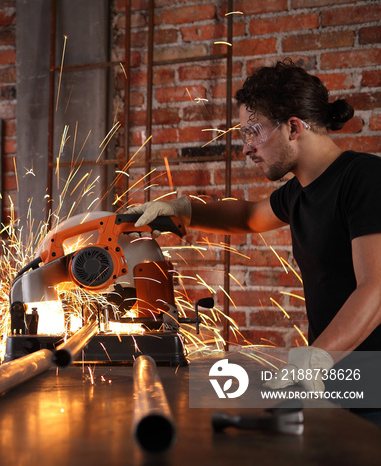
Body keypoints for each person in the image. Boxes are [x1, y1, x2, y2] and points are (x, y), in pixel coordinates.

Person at [127, 59, 381, 398]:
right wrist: (181, 209)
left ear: (293, 127)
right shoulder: (300, 192)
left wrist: (317, 358)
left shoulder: (364, 179)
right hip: (338, 381)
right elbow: (247, 216)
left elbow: (375, 288)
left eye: (254, 131)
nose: (247, 146)